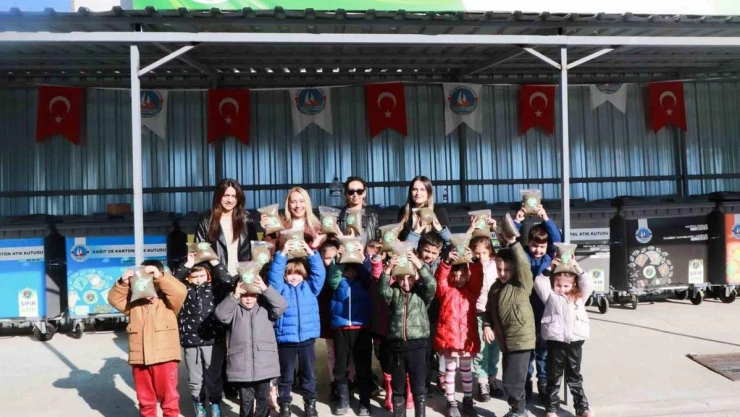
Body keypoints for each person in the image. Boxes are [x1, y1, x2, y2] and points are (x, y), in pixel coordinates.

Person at [108, 260, 187, 417]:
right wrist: (123, 283)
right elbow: (114, 300)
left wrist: (160, 276)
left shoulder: (169, 301)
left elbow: (180, 292)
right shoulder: (134, 303)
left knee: (169, 399)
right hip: (140, 358)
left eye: (150, 276)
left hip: (165, 358)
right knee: (145, 400)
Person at [267, 239, 327, 417]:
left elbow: (320, 273)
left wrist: (310, 252)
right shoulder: (280, 289)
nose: (294, 277)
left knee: (308, 374)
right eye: (290, 273)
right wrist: (283, 253)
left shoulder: (310, 287)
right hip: (286, 339)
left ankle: (310, 403)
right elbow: (274, 276)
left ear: (304, 274)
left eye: (298, 273)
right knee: (286, 375)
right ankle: (285, 403)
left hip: (307, 339)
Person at [214, 271, 287, 417]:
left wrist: (265, 288)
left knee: (262, 399)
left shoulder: (265, 308)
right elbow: (220, 314)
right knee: (246, 400)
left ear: (258, 295)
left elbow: (281, 305)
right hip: (242, 365)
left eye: (253, 295)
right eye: (244, 295)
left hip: (264, 363)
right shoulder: (234, 309)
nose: (248, 299)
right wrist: (234, 296)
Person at [173, 253, 235, 417]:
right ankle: (199, 404)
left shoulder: (215, 288)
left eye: (202, 276)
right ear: (189, 278)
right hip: (190, 340)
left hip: (212, 340)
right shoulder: (183, 290)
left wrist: (214, 261)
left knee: (213, 376)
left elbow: (227, 281)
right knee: (195, 378)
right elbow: (172, 282)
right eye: (194, 277)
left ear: (208, 275)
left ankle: (215, 404)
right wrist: (188, 265)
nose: (198, 280)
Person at [482, 231, 535, 417]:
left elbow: (524, 264)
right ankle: (518, 410)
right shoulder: (495, 288)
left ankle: (518, 412)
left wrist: (514, 244)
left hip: (521, 341)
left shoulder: (521, 284)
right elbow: (488, 311)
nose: (503, 273)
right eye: (499, 269)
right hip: (506, 343)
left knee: (513, 382)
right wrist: (486, 325)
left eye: (508, 270)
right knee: (511, 379)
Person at [377, 250, 437, 417]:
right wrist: (388, 269)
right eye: (401, 278)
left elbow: (432, 284)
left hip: (418, 346)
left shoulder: (421, 293)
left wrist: (418, 264)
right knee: (398, 389)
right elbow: (382, 290)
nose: (405, 283)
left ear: (415, 276)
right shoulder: (393, 292)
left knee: (419, 388)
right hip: (397, 347)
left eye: (409, 278)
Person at [534, 256, 595, 417]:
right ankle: (551, 408)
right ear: (553, 284)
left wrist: (578, 268)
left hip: (575, 340)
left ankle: (582, 407)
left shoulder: (579, 296)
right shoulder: (550, 295)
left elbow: (588, 283)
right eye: (558, 285)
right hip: (556, 340)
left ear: (573, 285)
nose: (562, 289)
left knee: (574, 375)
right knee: (554, 375)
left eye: (566, 286)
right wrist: (549, 267)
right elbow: (539, 282)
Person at [514, 204, 562, 402]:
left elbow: (558, 241)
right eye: (535, 245)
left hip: (544, 312)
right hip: (525, 311)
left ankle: (543, 383)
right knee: (527, 351)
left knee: (543, 350)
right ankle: (526, 383)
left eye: (542, 246)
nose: (538, 250)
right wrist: (518, 220)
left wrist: (545, 218)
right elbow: (510, 241)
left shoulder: (550, 257)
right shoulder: (523, 255)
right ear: (528, 243)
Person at [434, 248, 483, 417]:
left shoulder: (472, 290)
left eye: (462, 275)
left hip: (466, 338)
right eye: (454, 275)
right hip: (449, 338)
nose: (458, 279)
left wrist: (474, 261)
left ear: (468, 275)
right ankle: (451, 401)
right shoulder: (445, 290)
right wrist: (447, 263)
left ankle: (468, 400)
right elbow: (440, 278)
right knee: (450, 371)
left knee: (466, 371)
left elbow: (478, 277)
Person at [327, 257, 374, 415]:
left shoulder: (363, 282)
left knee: (363, 366)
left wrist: (361, 257)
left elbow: (368, 274)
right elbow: (334, 275)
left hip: (361, 327)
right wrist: (339, 260)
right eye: (348, 270)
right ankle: (343, 400)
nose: (351, 273)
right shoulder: (338, 282)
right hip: (341, 327)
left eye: (354, 270)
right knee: (340, 366)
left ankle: (365, 403)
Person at [196, 178, 258, 276]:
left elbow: (255, 249)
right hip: (217, 277)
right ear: (218, 196)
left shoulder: (246, 219)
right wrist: (218, 269)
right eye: (226, 195)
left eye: (234, 196)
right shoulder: (206, 220)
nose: (230, 200)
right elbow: (200, 249)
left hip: (243, 277)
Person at [411, 232, 446, 396]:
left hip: (436, 313)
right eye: (426, 251)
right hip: (418, 314)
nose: (429, 256)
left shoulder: (441, 264)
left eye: (433, 252)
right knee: (422, 353)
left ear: (439, 252)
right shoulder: (413, 262)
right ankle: (422, 386)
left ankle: (435, 379)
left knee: (434, 350)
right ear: (419, 248)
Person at [469, 236, 504, 402]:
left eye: (484, 252)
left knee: (494, 348)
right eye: (477, 253)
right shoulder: (470, 266)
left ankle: (492, 378)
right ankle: (482, 382)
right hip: (479, 311)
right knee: (481, 349)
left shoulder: (496, 265)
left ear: (490, 252)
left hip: (496, 311)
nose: (480, 256)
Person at [262, 187, 325, 253]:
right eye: (293, 202)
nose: (298, 205)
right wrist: (267, 232)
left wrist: (315, 243)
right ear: (288, 205)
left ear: (307, 203)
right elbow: (268, 252)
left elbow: (324, 255)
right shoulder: (279, 226)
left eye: (302, 201)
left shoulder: (317, 227)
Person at [398, 176, 452, 245]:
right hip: (409, 251)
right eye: (414, 189)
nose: (418, 193)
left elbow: (450, 241)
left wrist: (440, 229)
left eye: (422, 189)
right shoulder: (404, 211)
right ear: (410, 192)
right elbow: (400, 239)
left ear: (429, 192)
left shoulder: (439, 211)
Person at [337, 176, 379, 248]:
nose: (355, 195)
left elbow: (377, 242)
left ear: (364, 193)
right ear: (346, 194)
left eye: (359, 191)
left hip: (365, 255)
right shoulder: (337, 217)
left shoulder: (373, 216)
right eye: (351, 192)